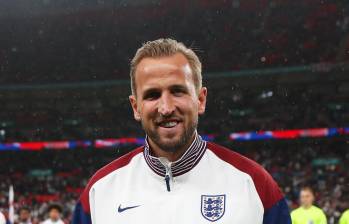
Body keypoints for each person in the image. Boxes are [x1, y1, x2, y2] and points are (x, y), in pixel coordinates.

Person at [72, 38, 291, 224]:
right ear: (136, 107)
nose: (166, 108)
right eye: (152, 95)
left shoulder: (253, 184)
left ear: (201, 99)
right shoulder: (99, 192)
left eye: (178, 91)